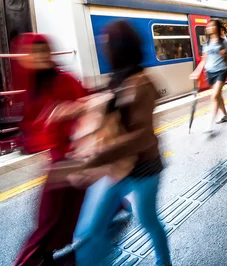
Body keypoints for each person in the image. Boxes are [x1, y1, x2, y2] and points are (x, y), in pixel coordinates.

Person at [74, 21, 171, 266]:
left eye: (106, 42)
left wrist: (98, 157)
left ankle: (164, 262)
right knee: (89, 231)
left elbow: (142, 136)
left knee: (148, 220)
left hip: (143, 168)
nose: (103, 47)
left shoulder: (141, 83)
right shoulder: (118, 79)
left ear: (120, 47)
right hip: (116, 168)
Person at [13, 34, 88, 266]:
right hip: (59, 155)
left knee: (50, 212)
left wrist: (67, 111)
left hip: (72, 153)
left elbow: (88, 104)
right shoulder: (35, 84)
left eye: (42, 51)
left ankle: (29, 259)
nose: (37, 57)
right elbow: (33, 121)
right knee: (65, 205)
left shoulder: (63, 79)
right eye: (33, 53)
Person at [191, 19, 227, 132]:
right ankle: (225, 115)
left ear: (216, 27)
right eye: (208, 26)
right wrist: (197, 71)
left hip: (221, 71)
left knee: (214, 96)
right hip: (210, 72)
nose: (209, 28)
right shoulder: (206, 43)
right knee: (218, 96)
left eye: (212, 26)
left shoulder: (223, 42)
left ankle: (209, 125)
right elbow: (204, 60)